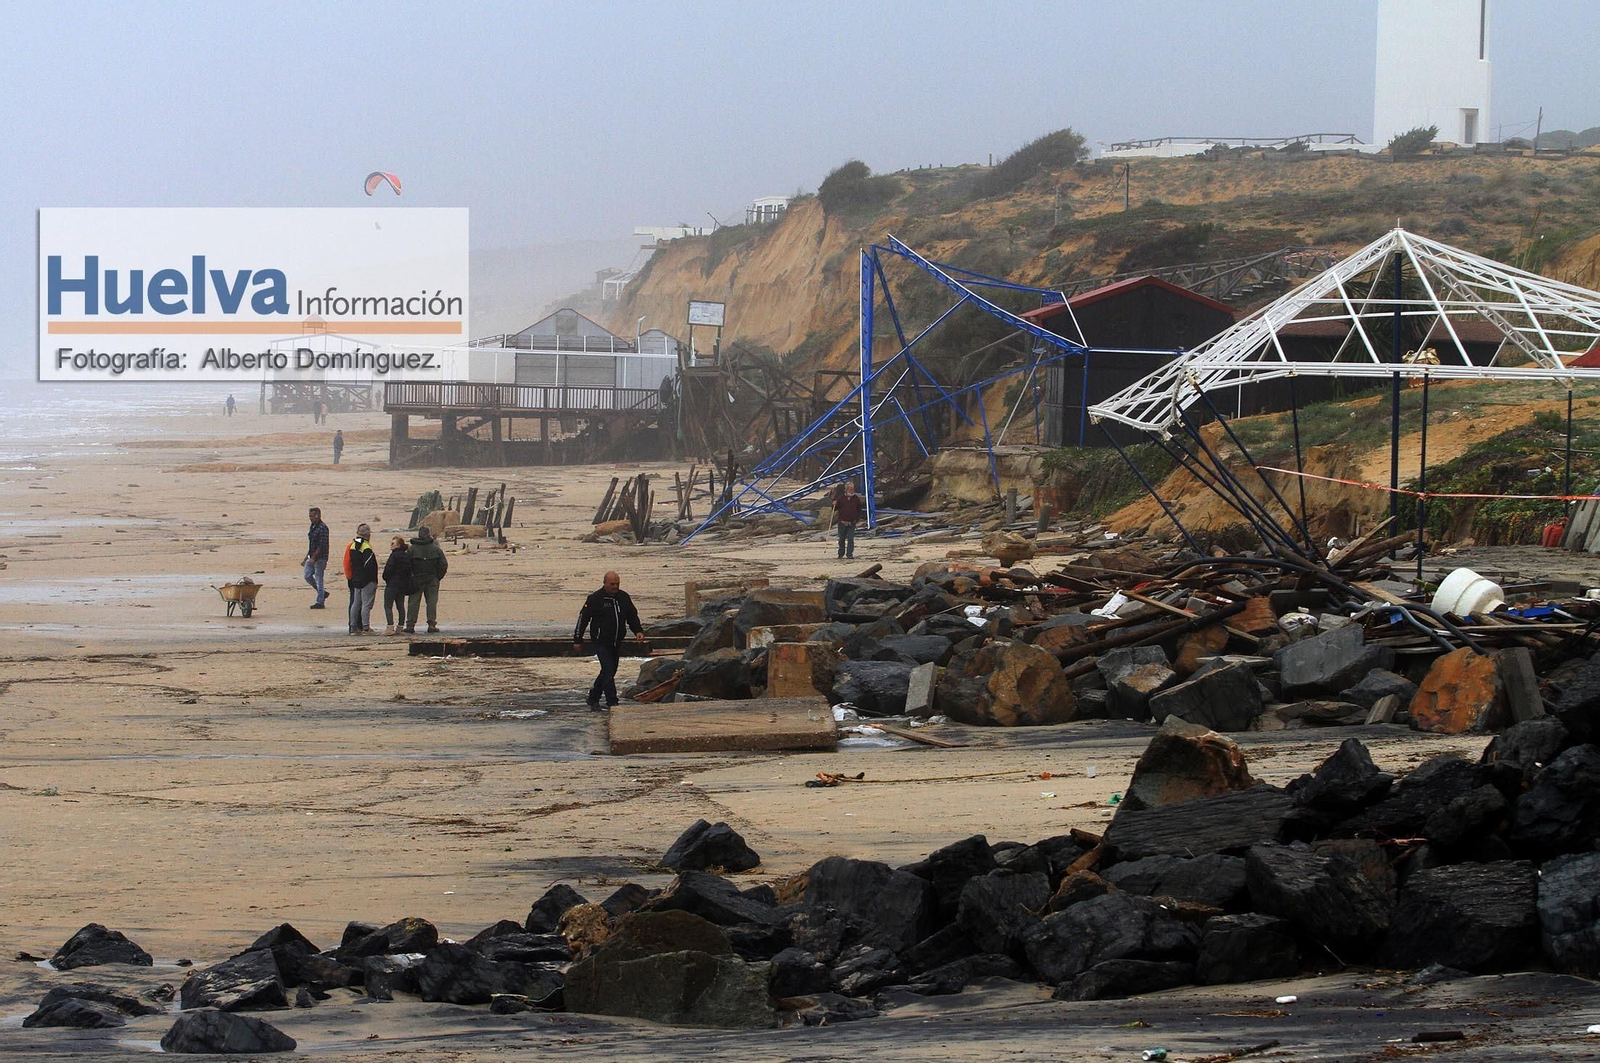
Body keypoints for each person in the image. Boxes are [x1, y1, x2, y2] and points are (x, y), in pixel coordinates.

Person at [572, 571, 645, 710]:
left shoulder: (623, 597)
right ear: (604, 583)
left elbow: (632, 616)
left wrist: (638, 631)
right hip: (601, 641)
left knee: (609, 671)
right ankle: (612, 702)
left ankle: (593, 697)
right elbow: (583, 619)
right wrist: (577, 639)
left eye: (617, 584)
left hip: (616, 641)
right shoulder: (595, 598)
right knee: (608, 670)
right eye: (612, 584)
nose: (615, 587)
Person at [404, 524, 448, 634]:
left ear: (419, 534)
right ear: (429, 535)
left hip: (416, 579)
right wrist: (438, 577)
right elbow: (443, 565)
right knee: (432, 602)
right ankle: (432, 624)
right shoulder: (436, 549)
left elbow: (406, 565)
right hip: (432, 579)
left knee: (413, 602)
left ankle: (410, 625)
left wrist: (410, 577)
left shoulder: (412, 549)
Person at [344, 523, 378, 634]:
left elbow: (348, 562)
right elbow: (369, 566)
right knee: (366, 605)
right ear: (368, 535)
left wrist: (350, 576)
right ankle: (366, 628)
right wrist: (372, 580)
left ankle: (353, 627)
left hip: (355, 578)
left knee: (356, 603)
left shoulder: (353, 545)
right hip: (366, 580)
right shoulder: (366, 547)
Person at [381, 534, 412, 635]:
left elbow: (388, 570)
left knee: (388, 606)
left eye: (393, 543)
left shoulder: (393, 555)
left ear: (398, 545)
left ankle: (390, 627)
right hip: (402, 585)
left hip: (392, 584)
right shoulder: (406, 556)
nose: (391, 545)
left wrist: (386, 578)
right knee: (400, 606)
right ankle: (400, 627)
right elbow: (409, 570)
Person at [303, 506, 329, 608]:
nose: (310, 518)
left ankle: (320, 602)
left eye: (312, 516)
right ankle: (322, 593)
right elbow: (312, 544)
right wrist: (307, 557)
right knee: (307, 576)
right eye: (309, 516)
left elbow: (322, 545)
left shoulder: (323, 528)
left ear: (318, 515)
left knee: (319, 579)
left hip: (320, 558)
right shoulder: (312, 526)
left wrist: (314, 558)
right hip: (312, 556)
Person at [832, 480, 863, 560]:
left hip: (852, 523)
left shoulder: (856, 499)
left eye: (853, 489)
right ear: (846, 489)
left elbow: (859, 509)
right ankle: (840, 554)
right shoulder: (841, 498)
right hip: (842, 522)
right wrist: (834, 504)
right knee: (841, 539)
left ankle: (849, 554)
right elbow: (834, 509)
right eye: (850, 489)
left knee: (850, 539)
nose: (852, 491)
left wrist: (857, 519)